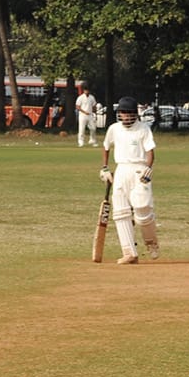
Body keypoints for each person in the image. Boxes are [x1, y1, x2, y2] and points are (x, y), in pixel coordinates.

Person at [100, 97, 159, 264]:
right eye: (123, 113)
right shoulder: (114, 129)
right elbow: (106, 147)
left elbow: (150, 152)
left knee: (142, 210)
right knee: (120, 212)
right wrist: (104, 168)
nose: (126, 116)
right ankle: (129, 253)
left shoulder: (143, 129)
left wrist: (148, 168)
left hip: (139, 170)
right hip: (121, 170)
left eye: (129, 113)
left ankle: (151, 243)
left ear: (135, 114)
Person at [74, 81, 101, 147]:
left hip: (90, 115)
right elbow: (77, 106)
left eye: (88, 90)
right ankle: (81, 142)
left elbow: (94, 106)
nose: (87, 91)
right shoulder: (80, 97)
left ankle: (92, 140)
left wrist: (95, 114)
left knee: (93, 128)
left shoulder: (92, 97)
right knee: (81, 129)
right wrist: (84, 112)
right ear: (84, 90)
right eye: (86, 90)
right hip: (82, 115)